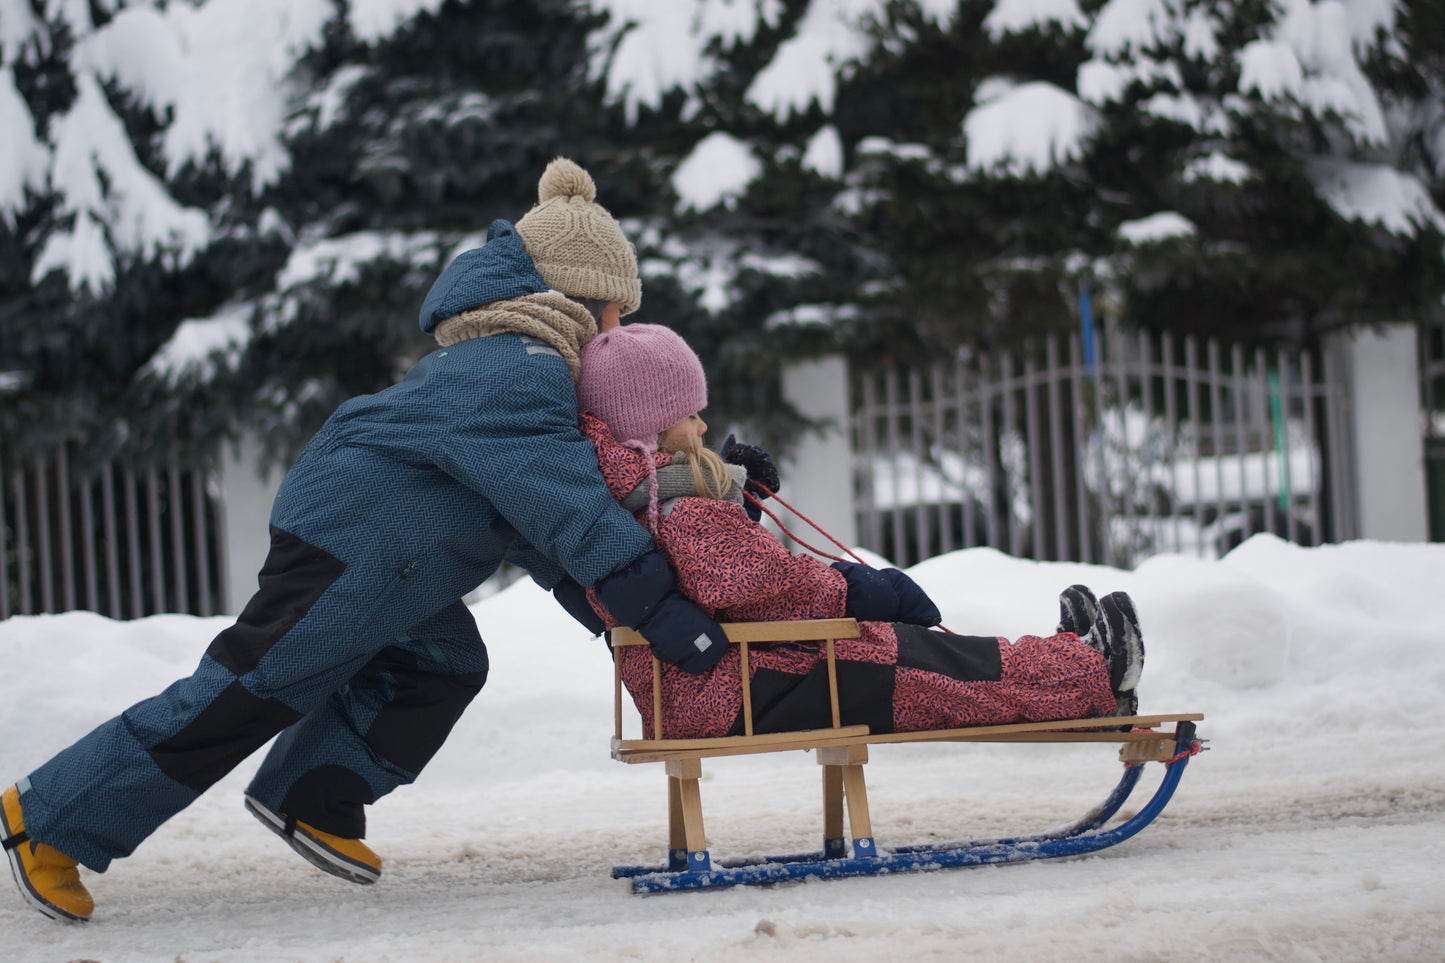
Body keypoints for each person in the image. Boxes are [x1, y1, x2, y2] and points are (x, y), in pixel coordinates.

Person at [1, 159, 733, 923]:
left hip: (394, 559)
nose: (615, 333)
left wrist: (624, 619)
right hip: (352, 550)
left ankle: (310, 796)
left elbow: (538, 527)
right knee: (248, 690)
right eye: (612, 311)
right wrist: (658, 611)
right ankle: (50, 817)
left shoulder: (513, 366)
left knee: (440, 664)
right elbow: (565, 510)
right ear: (571, 294)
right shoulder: (516, 369)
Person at [570, 323, 1146, 740]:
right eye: (689, 415)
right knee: (923, 666)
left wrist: (736, 506)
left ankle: (1064, 661)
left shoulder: (634, 490)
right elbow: (756, 585)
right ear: (650, 427)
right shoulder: (676, 506)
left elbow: (712, 574)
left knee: (918, 653)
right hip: (740, 686)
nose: (702, 424)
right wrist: (858, 589)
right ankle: (1091, 678)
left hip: (733, 678)